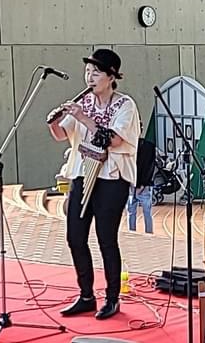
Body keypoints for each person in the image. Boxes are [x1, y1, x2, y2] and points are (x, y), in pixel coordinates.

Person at [49, 49, 140, 319]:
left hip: (112, 177)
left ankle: (112, 298)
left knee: (106, 238)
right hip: (82, 173)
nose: (90, 77)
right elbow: (61, 134)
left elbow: (112, 140)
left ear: (111, 77)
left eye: (96, 72)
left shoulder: (125, 105)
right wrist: (54, 122)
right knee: (75, 236)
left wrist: (82, 117)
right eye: (87, 72)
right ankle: (86, 295)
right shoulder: (84, 102)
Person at [127, 129, 156, 234]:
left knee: (146, 211)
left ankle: (149, 233)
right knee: (131, 211)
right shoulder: (128, 146)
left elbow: (150, 167)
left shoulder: (149, 147)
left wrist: (143, 184)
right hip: (131, 183)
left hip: (144, 185)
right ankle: (131, 232)